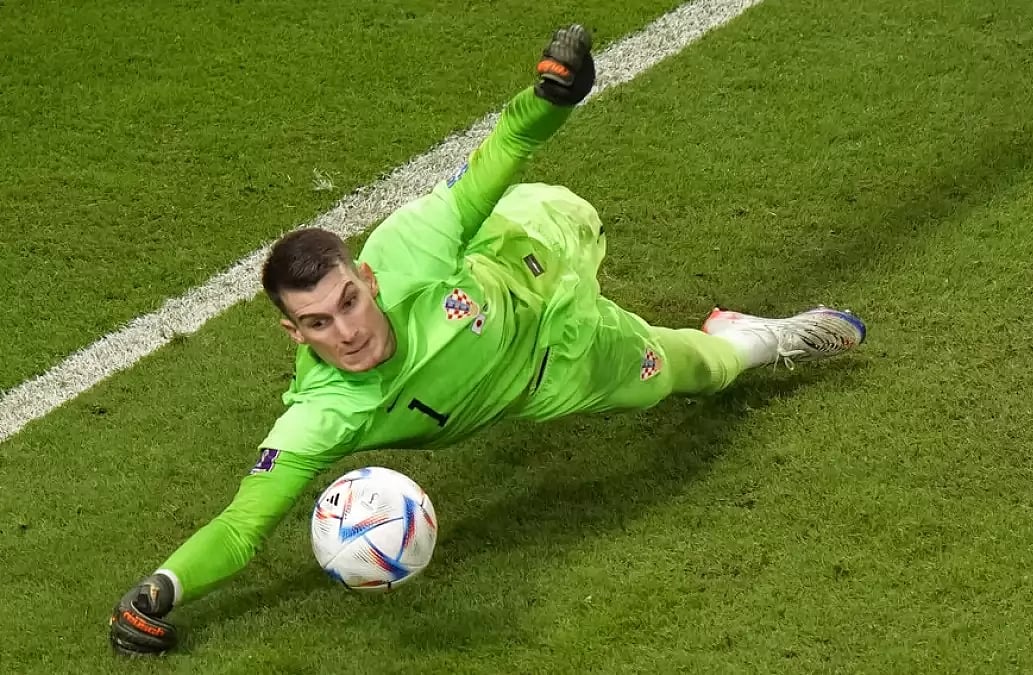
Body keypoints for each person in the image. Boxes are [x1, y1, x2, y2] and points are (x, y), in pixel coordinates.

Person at [108, 24, 866, 656]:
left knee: (572, 212)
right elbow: (244, 525)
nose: (349, 331)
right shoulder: (324, 413)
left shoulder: (410, 246)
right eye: (318, 323)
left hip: (535, 237)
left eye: (348, 301)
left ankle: (728, 332)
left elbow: (494, 160)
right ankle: (759, 337)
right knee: (686, 373)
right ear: (292, 331)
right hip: (556, 367)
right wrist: (159, 590)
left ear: (366, 279)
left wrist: (551, 96)